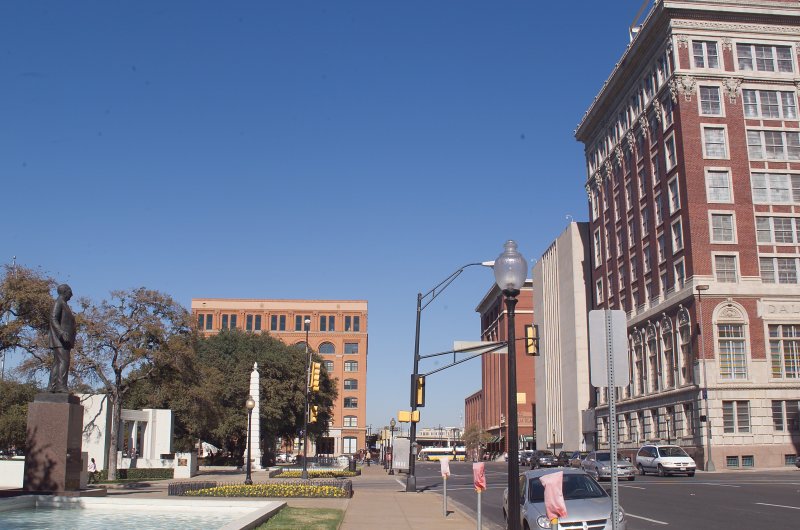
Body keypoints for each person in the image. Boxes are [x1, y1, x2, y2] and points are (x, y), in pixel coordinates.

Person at [48, 284, 76, 393]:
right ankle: (61, 386)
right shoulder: (59, 302)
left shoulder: (63, 304)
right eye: (70, 292)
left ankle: (52, 386)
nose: (71, 295)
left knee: (57, 362)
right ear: (65, 292)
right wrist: (61, 332)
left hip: (64, 340)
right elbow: (53, 318)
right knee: (64, 361)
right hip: (60, 339)